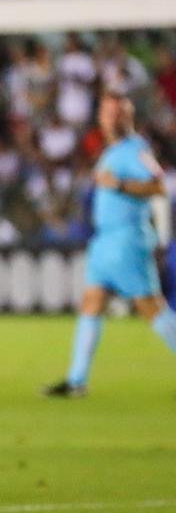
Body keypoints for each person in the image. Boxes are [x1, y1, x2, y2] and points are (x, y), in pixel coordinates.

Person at [45, 91, 176, 397]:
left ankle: (76, 380)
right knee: (91, 303)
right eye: (107, 112)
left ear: (128, 116)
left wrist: (117, 184)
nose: (111, 117)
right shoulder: (112, 151)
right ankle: (76, 381)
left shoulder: (135, 149)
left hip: (127, 239)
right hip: (105, 241)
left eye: (117, 112)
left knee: (151, 308)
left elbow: (158, 185)